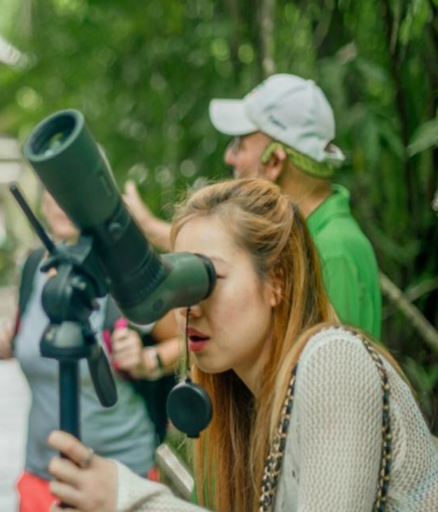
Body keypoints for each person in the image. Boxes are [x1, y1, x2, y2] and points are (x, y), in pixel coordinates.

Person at [44, 179, 438, 511]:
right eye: (177, 280)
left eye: (206, 278)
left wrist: (130, 499)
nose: (188, 306)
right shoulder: (254, 401)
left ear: (276, 282)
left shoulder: (334, 361)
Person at [124, 74, 381, 340]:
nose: (229, 157)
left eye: (240, 145)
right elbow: (224, 256)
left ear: (275, 163)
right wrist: (147, 227)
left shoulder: (330, 251)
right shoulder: (302, 236)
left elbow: (330, 370)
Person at [0, 190, 182, 512]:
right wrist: (3, 341)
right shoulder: (33, 267)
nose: (63, 202)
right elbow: (20, 332)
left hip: (122, 480)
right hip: (43, 475)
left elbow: (187, 337)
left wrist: (150, 361)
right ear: (40, 200)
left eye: (69, 188)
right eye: (52, 190)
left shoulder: (124, 273)